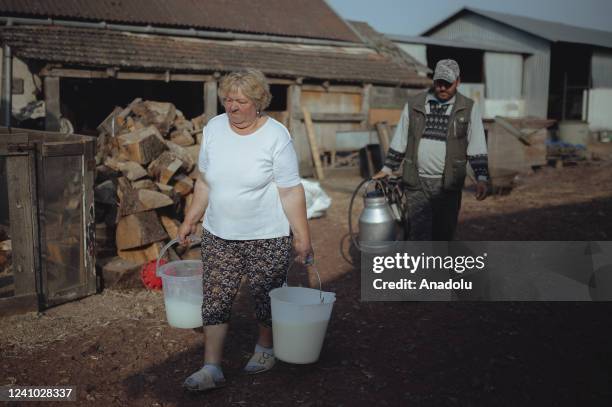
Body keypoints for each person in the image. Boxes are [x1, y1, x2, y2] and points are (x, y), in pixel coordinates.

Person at [177, 68, 313, 391]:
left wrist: (303, 236)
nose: (232, 107)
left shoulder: (276, 136)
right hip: (218, 233)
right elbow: (205, 182)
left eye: (240, 101)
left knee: (265, 297)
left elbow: (291, 190)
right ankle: (212, 367)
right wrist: (190, 218)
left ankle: (265, 348)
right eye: (228, 99)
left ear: (259, 102)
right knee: (215, 297)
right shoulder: (214, 129)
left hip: (266, 234)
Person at [373, 59, 489, 240]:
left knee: (444, 233)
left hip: (448, 185)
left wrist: (481, 177)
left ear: (458, 82)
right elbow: (401, 138)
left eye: (447, 84)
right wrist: (387, 168)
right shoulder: (414, 104)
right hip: (416, 182)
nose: (442, 88)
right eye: (438, 83)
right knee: (418, 233)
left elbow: (477, 144)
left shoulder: (468, 108)